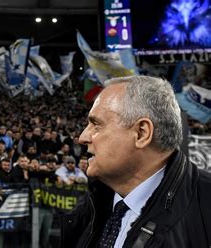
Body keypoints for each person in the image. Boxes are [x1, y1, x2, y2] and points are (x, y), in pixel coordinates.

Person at [62, 76, 211, 248]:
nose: (82, 138)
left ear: (141, 133)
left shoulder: (205, 206)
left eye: (97, 126)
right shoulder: (91, 208)